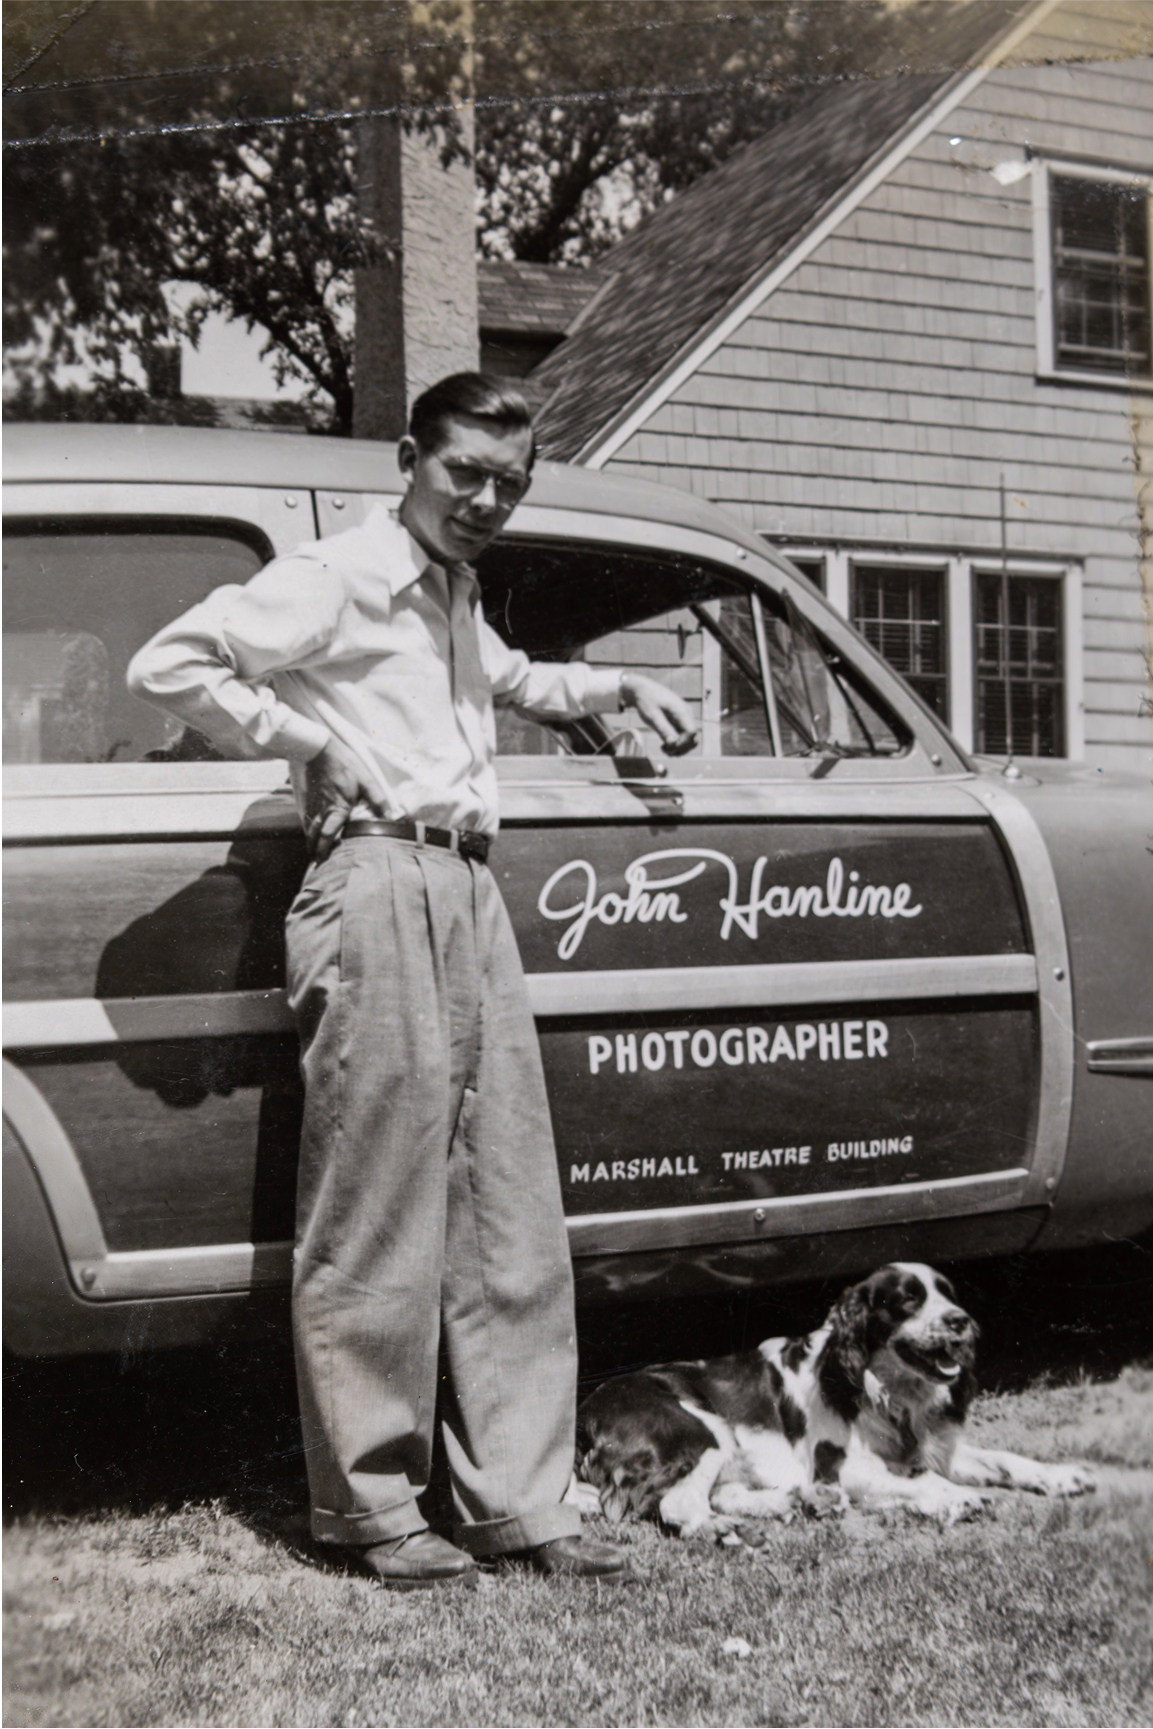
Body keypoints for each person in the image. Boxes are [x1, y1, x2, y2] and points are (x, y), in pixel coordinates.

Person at [127, 373, 697, 1589]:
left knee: (505, 1203)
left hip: (468, 888)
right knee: (378, 1203)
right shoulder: (338, 573)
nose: (487, 498)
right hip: (374, 883)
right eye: (465, 474)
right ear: (408, 457)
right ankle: (374, 1504)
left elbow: (514, 681)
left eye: (509, 481)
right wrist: (308, 738)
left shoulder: (451, 590)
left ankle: (519, 1501)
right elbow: (168, 663)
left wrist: (612, 690)